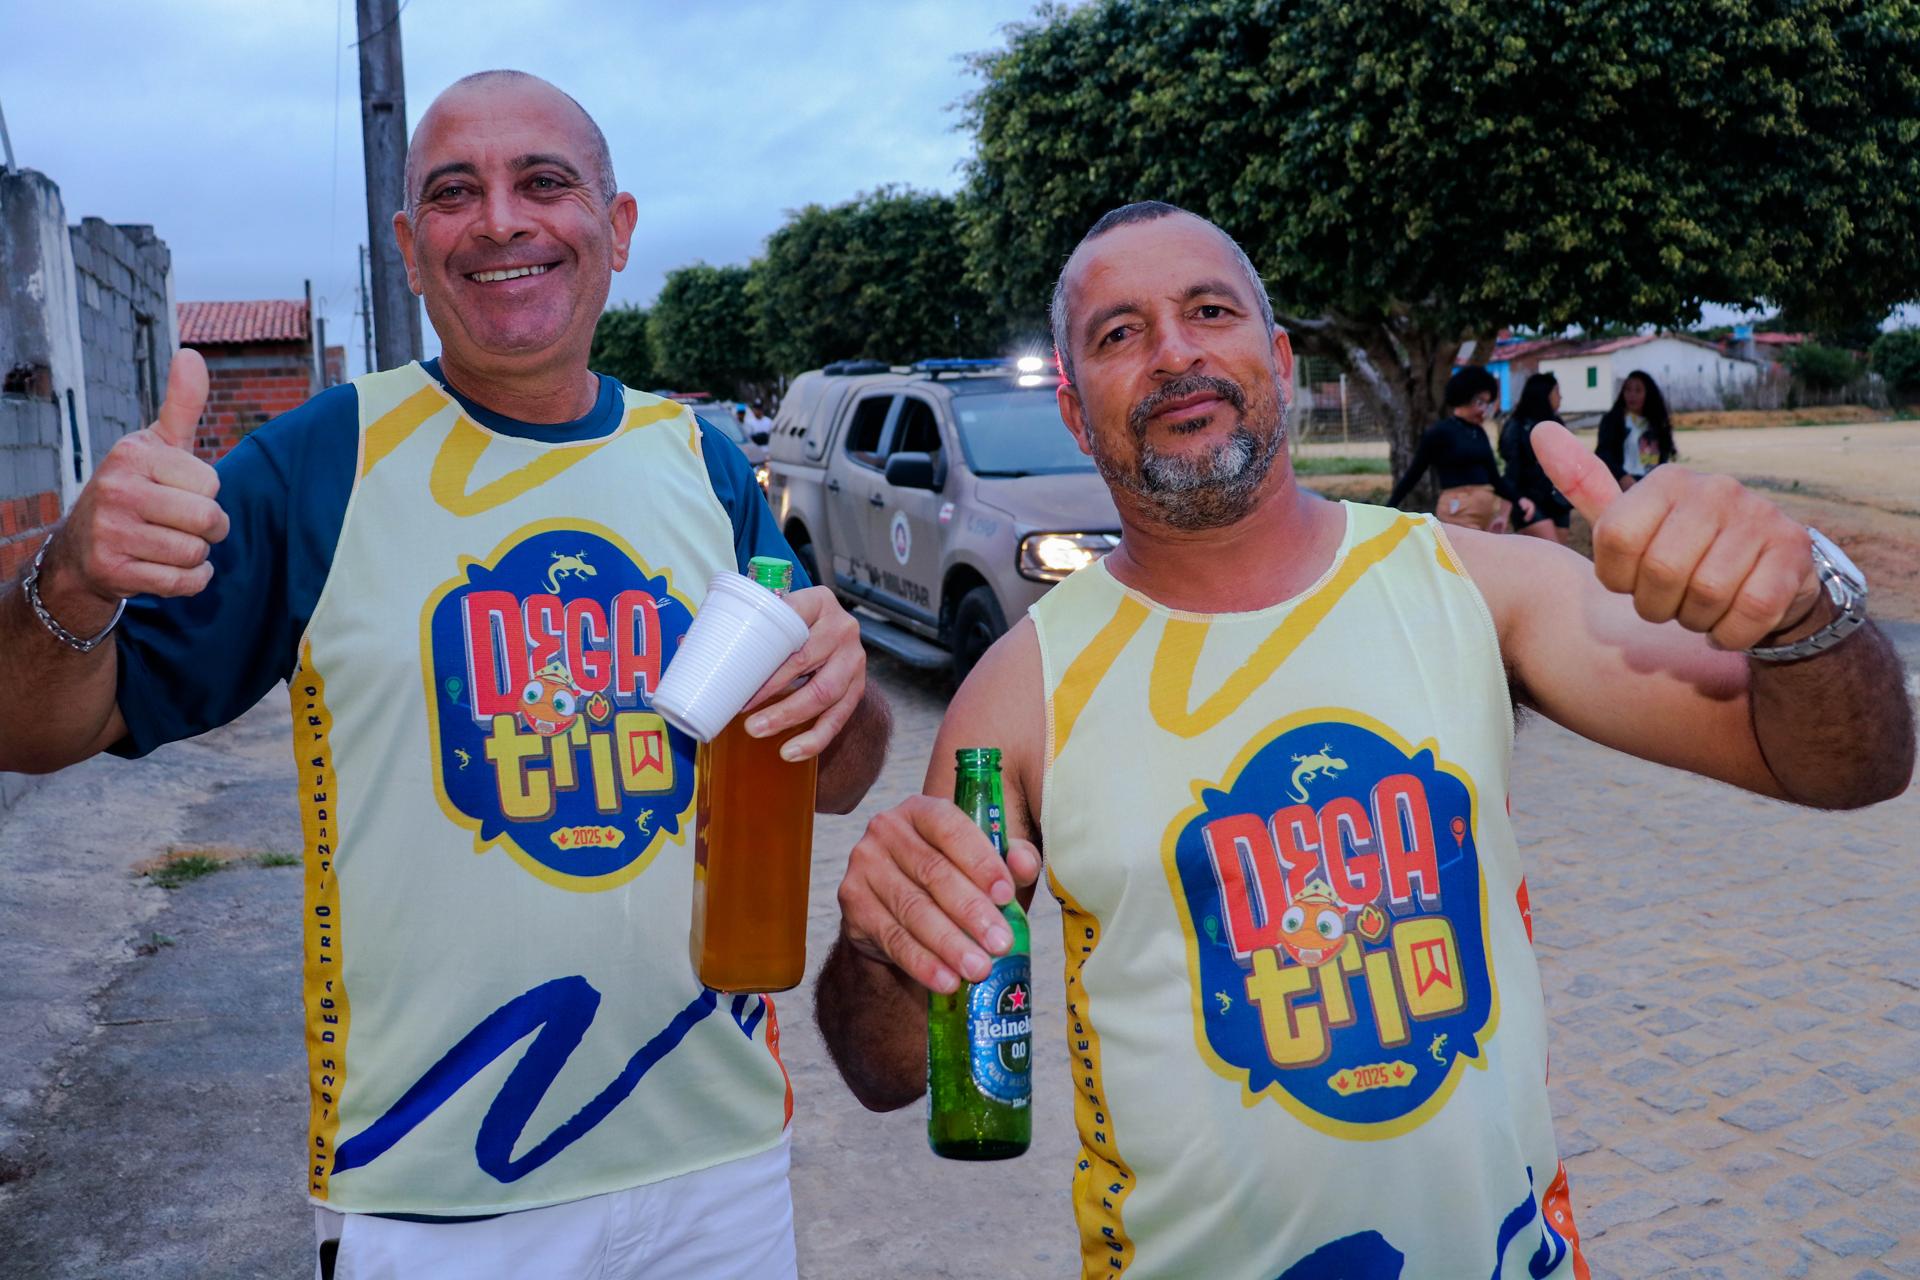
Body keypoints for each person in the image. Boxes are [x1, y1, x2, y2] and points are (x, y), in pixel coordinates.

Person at [812, 202, 1911, 1278]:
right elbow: (888, 1071)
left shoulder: (1474, 587)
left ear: (1281, 360)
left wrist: (1800, 616)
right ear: (1072, 406)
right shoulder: (1020, 693)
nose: (1176, 353)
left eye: (1210, 311)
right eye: (1120, 334)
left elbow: (1846, 765)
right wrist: (877, 947)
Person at [0, 70, 891, 1280]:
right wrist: (70, 578)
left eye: (545, 182)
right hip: (432, 1194)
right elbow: (34, 727)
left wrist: (845, 689)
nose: (501, 220)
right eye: (454, 193)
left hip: (721, 1167)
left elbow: (835, 775)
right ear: (411, 250)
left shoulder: (706, 462)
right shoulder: (325, 459)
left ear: (618, 227)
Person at [1384, 365, 1525, 532]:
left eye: (1487, 404)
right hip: (1458, 509)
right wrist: (1389, 508)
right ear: (1463, 398)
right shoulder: (1440, 432)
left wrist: (1519, 500)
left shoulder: (1479, 433)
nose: (1483, 410)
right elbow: (1414, 473)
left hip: (1486, 511)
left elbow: (1494, 477)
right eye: (1479, 402)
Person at [1500, 372, 1573, 543]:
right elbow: (1511, 471)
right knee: (1552, 550)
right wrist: (1504, 513)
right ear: (1543, 394)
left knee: (1560, 552)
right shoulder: (1517, 426)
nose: (1560, 396)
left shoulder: (1557, 423)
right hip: (1528, 500)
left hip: (1557, 500)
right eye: (1556, 391)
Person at [1595, 368, 1676, 489]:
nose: (1632, 395)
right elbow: (1603, 453)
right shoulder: (1612, 420)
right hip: (1622, 485)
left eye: (1638, 390)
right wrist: (1621, 476)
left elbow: (1662, 457)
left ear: (1648, 394)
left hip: (1651, 485)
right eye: (1627, 389)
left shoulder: (1658, 423)